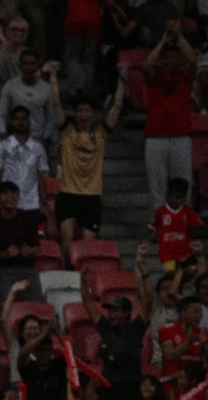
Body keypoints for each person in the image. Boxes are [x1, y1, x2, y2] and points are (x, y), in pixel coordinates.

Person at [51, 74, 125, 262]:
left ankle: (84, 282)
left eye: (88, 110)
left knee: (88, 246)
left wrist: (122, 82)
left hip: (91, 196)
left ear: (92, 113)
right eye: (80, 110)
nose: (84, 114)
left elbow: (116, 108)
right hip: (68, 193)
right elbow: (56, 105)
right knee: (66, 241)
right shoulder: (68, 132)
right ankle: (67, 276)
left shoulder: (100, 134)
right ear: (75, 113)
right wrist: (53, 77)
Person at [79, 262, 149, 400]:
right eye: (110, 310)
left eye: (115, 310)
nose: (111, 314)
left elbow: (147, 304)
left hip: (132, 387)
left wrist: (145, 278)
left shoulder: (136, 328)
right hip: (109, 388)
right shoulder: (105, 328)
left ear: (126, 313)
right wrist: (83, 282)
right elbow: (89, 305)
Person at [142, 23, 197, 209]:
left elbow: (193, 60)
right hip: (156, 138)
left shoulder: (185, 76)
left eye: (175, 56)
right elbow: (146, 64)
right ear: (162, 58)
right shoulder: (153, 76)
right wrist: (163, 42)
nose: (171, 59)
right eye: (167, 56)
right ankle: (158, 226)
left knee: (183, 184)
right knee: (157, 186)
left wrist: (179, 37)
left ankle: (183, 224)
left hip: (181, 137)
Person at [0, 181, 42, 303]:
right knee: (6, 301)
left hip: (26, 268)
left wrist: (28, 251)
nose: (11, 198)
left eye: (14, 194)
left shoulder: (27, 218)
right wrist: (6, 254)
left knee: (36, 303)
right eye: (6, 194)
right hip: (2, 269)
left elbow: (37, 248)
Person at [0, 107, 49, 234]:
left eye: (24, 119)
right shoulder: (2, 146)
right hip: (8, 205)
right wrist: (1, 201)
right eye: (17, 119)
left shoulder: (38, 148)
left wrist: (43, 203)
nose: (20, 122)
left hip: (32, 204)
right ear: (11, 122)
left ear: (29, 122)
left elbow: (41, 178)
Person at [0, 50, 56, 146]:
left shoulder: (46, 88)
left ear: (38, 66)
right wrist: (2, 133)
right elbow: (2, 113)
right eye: (25, 63)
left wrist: (46, 138)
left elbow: (50, 117)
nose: (29, 67)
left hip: (38, 139)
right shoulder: (10, 86)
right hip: (14, 137)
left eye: (32, 63)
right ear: (20, 66)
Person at [150, 177, 206, 278]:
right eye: (176, 197)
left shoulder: (187, 211)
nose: (179, 201)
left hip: (185, 252)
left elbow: (199, 226)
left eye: (182, 198)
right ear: (168, 195)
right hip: (168, 253)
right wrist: (153, 237)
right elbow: (154, 229)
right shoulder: (161, 211)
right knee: (171, 274)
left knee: (191, 272)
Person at [159, 296, 208, 390]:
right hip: (173, 385)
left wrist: (205, 343)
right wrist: (188, 342)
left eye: (200, 311)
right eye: (195, 311)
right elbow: (169, 356)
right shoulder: (168, 330)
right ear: (183, 313)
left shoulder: (204, 332)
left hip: (195, 387)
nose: (199, 315)